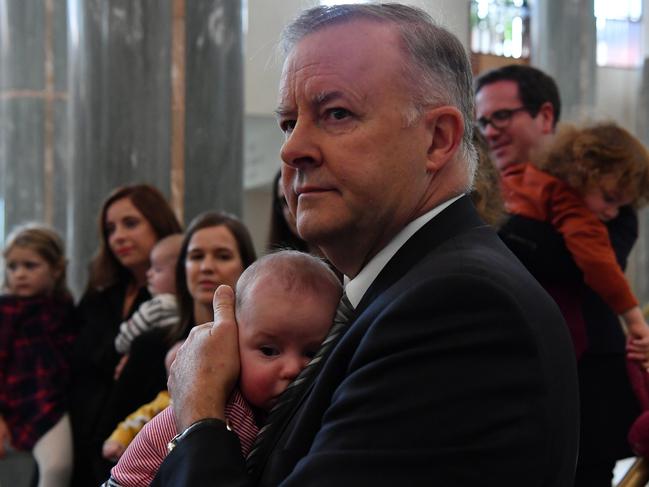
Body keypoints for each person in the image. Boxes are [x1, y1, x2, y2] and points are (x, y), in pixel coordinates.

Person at [153, 4, 579, 486]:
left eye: (335, 113)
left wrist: (201, 413)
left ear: (438, 139)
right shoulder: (403, 286)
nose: (292, 151)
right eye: (289, 123)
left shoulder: (460, 307)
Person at [476, 65, 642, 486]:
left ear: (545, 115)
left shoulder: (601, 199)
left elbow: (575, 264)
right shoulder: (483, 191)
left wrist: (498, 223)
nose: (490, 130)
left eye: (502, 116)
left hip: (589, 384)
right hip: (508, 384)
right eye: (481, 121)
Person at [104, 250, 342, 487]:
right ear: (233, 345)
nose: (291, 369)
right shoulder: (226, 410)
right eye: (269, 351)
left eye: (312, 353)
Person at [91, 211, 257, 480]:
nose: (206, 266)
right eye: (196, 256)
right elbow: (105, 441)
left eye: (223, 256)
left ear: (246, 266)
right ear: (182, 269)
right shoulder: (151, 344)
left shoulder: (259, 350)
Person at [499, 122, 649, 357]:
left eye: (621, 206)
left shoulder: (521, 176)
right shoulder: (569, 202)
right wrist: (635, 320)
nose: (613, 213)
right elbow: (597, 260)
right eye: (609, 198)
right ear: (583, 170)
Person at [69, 184, 182, 487]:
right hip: (81, 425)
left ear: (158, 223)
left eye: (130, 223)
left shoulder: (177, 299)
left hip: (138, 438)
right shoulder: (102, 292)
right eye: (110, 228)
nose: (117, 236)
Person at [0, 225, 77, 487]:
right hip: (10, 402)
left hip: (48, 404)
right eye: (12, 266)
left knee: (58, 467)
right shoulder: (5, 311)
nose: (19, 274)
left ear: (56, 269)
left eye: (30, 266)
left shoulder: (64, 307)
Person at [114, 234, 184, 357]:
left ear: (180, 275)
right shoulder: (191, 309)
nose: (149, 273)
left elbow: (122, 343)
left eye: (157, 269)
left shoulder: (157, 306)